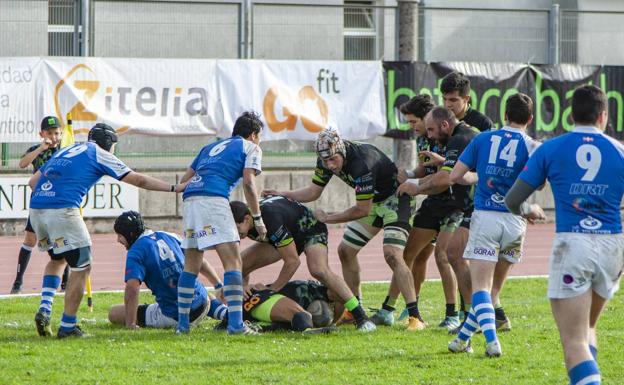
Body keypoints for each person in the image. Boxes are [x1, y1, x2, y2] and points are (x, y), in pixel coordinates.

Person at [506, 85, 624, 384]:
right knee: (586, 330)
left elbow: (512, 199)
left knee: (574, 342)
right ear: (603, 116)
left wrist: (528, 211)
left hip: (573, 243)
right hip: (613, 244)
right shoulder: (619, 150)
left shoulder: (551, 148)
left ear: (571, 114)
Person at [30, 122, 183, 338]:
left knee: (58, 260)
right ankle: (68, 326)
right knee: (83, 266)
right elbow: (137, 179)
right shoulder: (99, 153)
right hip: (62, 208)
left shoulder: (67, 149)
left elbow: (32, 181)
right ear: (109, 143)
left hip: (37, 207)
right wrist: (174, 188)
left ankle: (45, 307)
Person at [263, 128, 422, 330]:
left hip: (396, 200)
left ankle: (415, 317)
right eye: (325, 161)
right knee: (345, 251)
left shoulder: (361, 162)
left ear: (341, 150)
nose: (330, 165)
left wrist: (330, 218)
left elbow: (362, 209)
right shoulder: (325, 159)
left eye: (333, 160)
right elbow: (313, 191)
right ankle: (355, 309)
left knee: (392, 254)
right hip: (373, 203)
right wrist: (282, 193)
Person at [446, 93, 544, 357]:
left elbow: (456, 176)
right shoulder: (534, 145)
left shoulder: (483, 139)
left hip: (486, 217)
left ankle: (491, 342)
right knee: (492, 291)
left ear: (505, 115)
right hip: (515, 221)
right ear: (530, 119)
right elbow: (539, 183)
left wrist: (480, 176)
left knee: (480, 289)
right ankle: (462, 340)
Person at [370, 95, 462, 331]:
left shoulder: (451, 137)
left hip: (455, 205)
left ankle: (453, 313)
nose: (411, 127)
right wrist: (410, 174)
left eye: (414, 122)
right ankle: (389, 309)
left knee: (443, 256)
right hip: (433, 203)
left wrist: (417, 185)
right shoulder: (424, 140)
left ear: (428, 119)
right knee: (409, 254)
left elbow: (445, 176)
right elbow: (425, 167)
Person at [176, 111, 266, 335]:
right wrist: (257, 219)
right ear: (254, 134)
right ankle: (236, 325)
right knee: (233, 262)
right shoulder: (251, 147)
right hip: (214, 199)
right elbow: (248, 184)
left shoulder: (208, 148)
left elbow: (183, 181)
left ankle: (182, 326)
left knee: (191, 265)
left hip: (190, 200)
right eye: (260, 136)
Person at [230, 197, 375, 332]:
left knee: (319, 270)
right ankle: (237, 314)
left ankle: (360, 315)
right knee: (239, 264)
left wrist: (272, 290)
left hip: (310, 228)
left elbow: (292, 262)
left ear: (247, 218)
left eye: (237, 229)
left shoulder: (269, 220)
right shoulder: (244, 219)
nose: (236, 234)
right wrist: (242, 288)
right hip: (286, 231)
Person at [440, 72, 512, 332]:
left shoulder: (481, 123)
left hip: (476, 200)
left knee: (456, 254)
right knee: (457, 255)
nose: (448, 105)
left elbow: (487, 163)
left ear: (466, 99)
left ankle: (474, 316)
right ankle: (492, 314)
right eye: (445, 99)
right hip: (456, 196)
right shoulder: (444, 121)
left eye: (453, 100)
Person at [397, 107, 478, 328]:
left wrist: (416, 187)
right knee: (454, 256)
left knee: (453, 256)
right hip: (472, 205)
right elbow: (459, 174)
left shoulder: (459, 138)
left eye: (431, 129)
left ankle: (468, 315)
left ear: (445, 125)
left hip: (475, 207)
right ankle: (476, 316)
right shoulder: (464, 135)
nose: (429, 135)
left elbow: (445, 179)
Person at [108, 211, 228, 329]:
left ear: (130, 234)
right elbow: (199, 260)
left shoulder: (136, 252)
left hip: (176, 316)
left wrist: (131, 324)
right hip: (203, 303)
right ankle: (227, 314)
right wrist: (218, 284)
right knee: (201, 293)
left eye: (120, 235)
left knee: (114, 313)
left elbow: (132, 288)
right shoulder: (168, 235)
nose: (118, 240)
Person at [10, 116, 69, 294]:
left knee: (60, 241)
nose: (53, 136)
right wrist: (41, 148)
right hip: (39, 203)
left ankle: (65, 283)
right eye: (49, 133)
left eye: (57, 133)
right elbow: (22, 163)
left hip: (58, 203)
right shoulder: (37, 150)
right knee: (30, 239)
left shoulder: (65, 151)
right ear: (41, 134)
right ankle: (18, 283)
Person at [241, 280, 337, 332]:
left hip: (251, 305)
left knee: (298, 318)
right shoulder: (305, 292)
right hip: (258, 298)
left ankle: (258, 328)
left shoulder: (308, 289)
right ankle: (307, 330)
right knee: (303, 315)